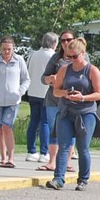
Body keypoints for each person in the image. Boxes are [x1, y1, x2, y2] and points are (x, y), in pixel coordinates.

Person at [45, 37, 100, 192]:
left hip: (85, 114)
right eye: (68, 57)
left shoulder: (92, 70)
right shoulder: (65, 69)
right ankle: (58, 179)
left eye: (74, 56)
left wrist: (83, 97)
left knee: (83, 147)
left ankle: (83, 179)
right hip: (66, 112)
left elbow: (99, 94)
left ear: (83, 53)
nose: (71, 60)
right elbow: (55, 90)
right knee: (63, 146)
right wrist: (65, 93)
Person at [38, 31, 77, 174]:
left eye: (68, 40)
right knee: (54, 130)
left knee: (71, 131)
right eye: (62, 41)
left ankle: (67, 162)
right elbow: (43, 78)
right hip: (53, 100)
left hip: (72, 101)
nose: (65, 43)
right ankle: (52, 162)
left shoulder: (81, 57)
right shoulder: (56, 58)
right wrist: (49, 79)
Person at [0, 36, 30, 168]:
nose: (6, 52)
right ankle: (2, 157)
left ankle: (11, 158)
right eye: (4, 49)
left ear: (13, 48)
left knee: (7, 126)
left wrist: (20, 92)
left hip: (13, 101)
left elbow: (26, 79)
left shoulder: (19, 60)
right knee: (0, 128)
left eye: (9, 49)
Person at [25, 32, 58, 162]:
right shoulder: (53, 56)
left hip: (33, 92)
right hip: (45, 93)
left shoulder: (33, 54)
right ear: (53, 43)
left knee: (34, 121)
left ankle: (31, 151)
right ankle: (44, 152)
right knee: (45, 122)